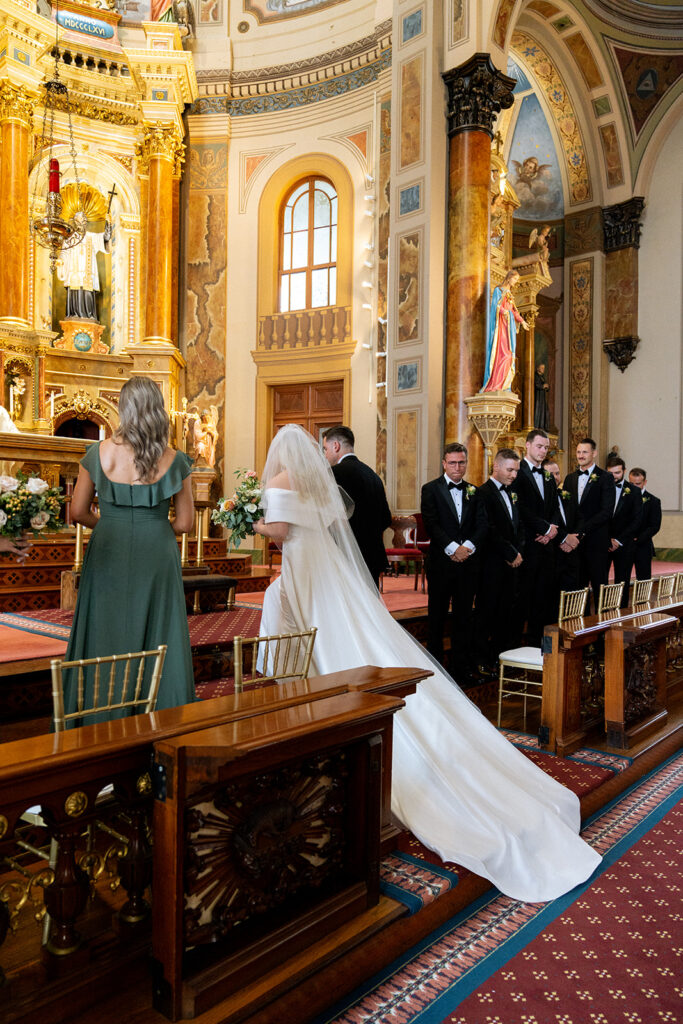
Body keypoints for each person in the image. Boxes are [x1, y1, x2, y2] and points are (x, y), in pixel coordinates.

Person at [252, 425, 600, 903]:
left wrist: (248, 515)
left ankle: (314, 725)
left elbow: (280, 532)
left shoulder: (280, 483)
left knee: (325, 647)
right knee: (351, 635)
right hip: (328, 575)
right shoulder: (318, 481)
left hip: (302, 572)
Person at [65, 376, 196, 724]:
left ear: (124, 408)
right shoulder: (176, 460)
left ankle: (97, 715)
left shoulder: (98, 453)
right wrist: (153, 528)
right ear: (157, 410)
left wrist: (110, 524)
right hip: (158, 550)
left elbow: (77, 512)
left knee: (104, 628)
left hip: (109, 544)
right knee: (160, 629)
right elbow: (185, 524)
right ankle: (160, 715)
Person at [420, 442, 487, 681]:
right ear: (444, 464)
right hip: (441, 564)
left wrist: (466, 548)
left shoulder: (475, 492)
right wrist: (453, 548)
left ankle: (461, 669)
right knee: (436, 618)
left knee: (463, 618)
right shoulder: (430, 489)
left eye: (461, 463)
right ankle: (435, 670)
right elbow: (431, 523)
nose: (457, 467)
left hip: (467, 566)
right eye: (452, 463)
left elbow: (482, 525)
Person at [473, 448, 525, 675]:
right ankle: (483, 659)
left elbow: (519, 525)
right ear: (496, 466)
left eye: (516, 470)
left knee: (507, 613)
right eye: (510, 469)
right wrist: (508, 553)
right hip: (491, 563)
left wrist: (518, 552)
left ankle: (501, 656)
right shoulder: (482, 493)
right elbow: (489, 529)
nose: (514, 475)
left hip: (513, 562)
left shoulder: (513, 492)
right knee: (487, 612)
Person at [322, 425, 391, 589]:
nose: (325, 454)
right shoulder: (373, 475)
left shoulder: (333, 473)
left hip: (346, 555)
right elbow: (386, 519)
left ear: (336, 446)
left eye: (325, 449)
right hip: (373, 555)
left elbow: (327, 517)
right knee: (369, 609)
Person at [513, 430, 559, 646]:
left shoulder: (549, 477)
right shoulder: (516, 473)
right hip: (527, 546)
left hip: (547, 548)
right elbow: (519, 508)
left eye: (546, 448)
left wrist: (552, 530)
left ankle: (545, 649)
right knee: (524, 601)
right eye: (539, 446)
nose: (543, 451)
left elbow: (554, 508)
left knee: (545, 601)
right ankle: (520, 651)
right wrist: (543, 528)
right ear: (528, 446)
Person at [563, 438, 615, 613]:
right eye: (578, 452)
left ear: (594, 453)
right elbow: (567, 509)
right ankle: (581, 629)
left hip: (596, 541)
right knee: (578, 586)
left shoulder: (605, 477)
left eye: (585, 452)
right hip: (575, 544)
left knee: (600, 587)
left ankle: (602, 632)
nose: (580, 455)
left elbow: (606, 511)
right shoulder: (570, 479)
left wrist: (581, 530)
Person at [481, 269, 529, 393]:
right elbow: (495, 306)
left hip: (509, 329)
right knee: (501, 354)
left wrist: (522, 321)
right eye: (515, 279)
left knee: (509, 354)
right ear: (509, 278)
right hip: (501, 328)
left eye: (517, 280)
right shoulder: (499, 290)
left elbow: (514, 311)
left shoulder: (510, 295)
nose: (515, 282)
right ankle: (495, 384)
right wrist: (504, 312)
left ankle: (504, 384)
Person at [543, 457, 581, 606]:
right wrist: (565, 538)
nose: (556, 477)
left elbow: (580, 518)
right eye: (551, 474)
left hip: (571, 553)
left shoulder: (566, 495)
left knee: (571, 600)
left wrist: (574, 539)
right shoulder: (542, 499)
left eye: (558, 473)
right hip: (553, 553)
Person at [606, 455, 642, 608]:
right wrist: (607, 539)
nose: (614, 476)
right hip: (603, 543)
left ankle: (621, 614)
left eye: (617, 473)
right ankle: (602, 614)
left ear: (624, 471)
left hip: (624, 544)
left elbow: (637, 520)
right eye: (610, 473)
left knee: (623, 581)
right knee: (600, 580)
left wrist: (619, 540)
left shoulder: (633, 491)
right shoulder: (600, 488)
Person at [628, 467, 662, 580]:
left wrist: (638, 538)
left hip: (643, 545)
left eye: (637, 484)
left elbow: (654, 526)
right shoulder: (622, 498)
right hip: (624, 544)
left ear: (645, 482)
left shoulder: (653, 501)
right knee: (622, 578)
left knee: (643, 579)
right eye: (631, 483)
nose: (634, 487)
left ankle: (642, 598)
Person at [534, 363, 550, 430]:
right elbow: (536, 385)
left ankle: (542, 426)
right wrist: (543, 386)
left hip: (542, 397)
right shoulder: (535, 376)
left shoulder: (542, 377)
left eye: (544, 368)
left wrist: (547, 387)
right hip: (537, 397)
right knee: (538, 411)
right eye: (542, 368)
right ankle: (536, 425)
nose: (543, 369)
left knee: (543, 411)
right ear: (538, 368)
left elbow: (546, 387)